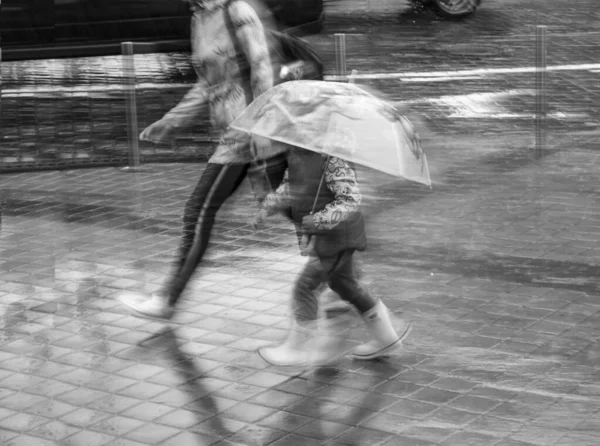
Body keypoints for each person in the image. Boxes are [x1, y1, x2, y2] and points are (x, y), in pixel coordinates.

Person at [120, 0, 294, 319]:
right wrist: (172, 121)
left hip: (247, 131)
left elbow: (262, 66)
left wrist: (260, 127)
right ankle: (346, 278)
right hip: (233, 130)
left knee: (199, 210)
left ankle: (167, 299)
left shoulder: (236, 10)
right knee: (292, 208)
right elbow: (208, 84)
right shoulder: (200, 18)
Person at [252, 149, 412, 366]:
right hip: (325, 237)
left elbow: (350, 199)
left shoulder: (332, 157)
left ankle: (298, 349)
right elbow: (292, 186)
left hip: (338, 236)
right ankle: (387, 338)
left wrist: (319, 220)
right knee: (347, 286)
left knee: (306, 287)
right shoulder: (300, 153)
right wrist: (268, 206)